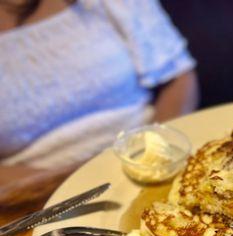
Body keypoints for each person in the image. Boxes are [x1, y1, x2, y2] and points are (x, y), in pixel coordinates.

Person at [0, 0, 199, 169]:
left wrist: (156, 151)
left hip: (149, 157)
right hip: (35, 194)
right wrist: (83, 177)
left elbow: (178, 77)